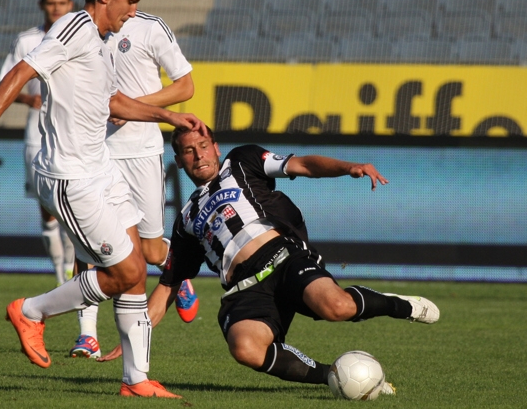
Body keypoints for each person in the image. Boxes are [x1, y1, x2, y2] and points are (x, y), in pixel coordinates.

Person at [0, 0, 208, 399]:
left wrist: (172, 118)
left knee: (135, 272)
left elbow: (114, 102)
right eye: (130, 1)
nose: (134, 11)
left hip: (102, 169)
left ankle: (137, 380)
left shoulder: (97, 39)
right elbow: (22, 70)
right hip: (71, 176)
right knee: (126, 269)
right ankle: (31, 311)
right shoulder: (74, 28)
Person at [100, 126, 439, 397]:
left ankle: (401, 306)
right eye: (188, 150)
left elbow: (302, 164)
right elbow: (168, 287)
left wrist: (348, 167)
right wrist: (135, 335)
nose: (198, 154)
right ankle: (333, 377)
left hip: (283, 257)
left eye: (203, 145)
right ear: (178, 159)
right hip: (244, 289)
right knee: (245, 348)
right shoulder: (186, 218)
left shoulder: (241, 161)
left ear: (215, 147)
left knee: (336, 308)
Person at [69, 9, 199, 360]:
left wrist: (129, 106)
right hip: (94, 152)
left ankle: (178, 268)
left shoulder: (150, 26)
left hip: (141, 151)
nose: (131, 6)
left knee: (151, 253)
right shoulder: (82, 31)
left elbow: (185, 86)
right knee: (89, 246)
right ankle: (87, 336)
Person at [0, 0, 75, 287]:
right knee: (47, 210)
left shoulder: (81, 38)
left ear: (71, 5)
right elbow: (6, 82)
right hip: (37, 134)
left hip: (72, 134)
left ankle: (71, 269)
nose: (57, 8)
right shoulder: (28, 41)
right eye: (51, 3)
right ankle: (60, 275)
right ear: (42, 5)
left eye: (62, 3)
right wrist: (28, 97)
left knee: (70, 207)